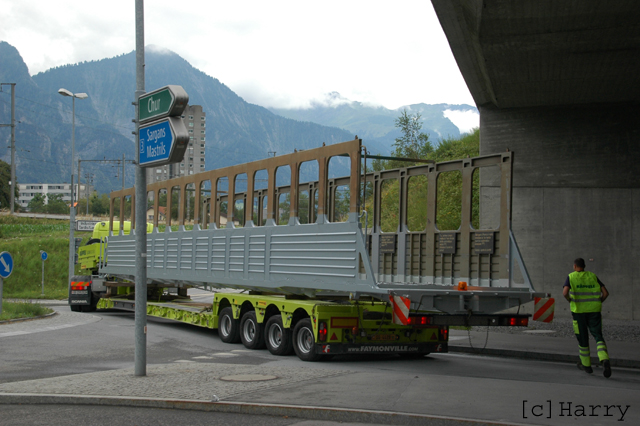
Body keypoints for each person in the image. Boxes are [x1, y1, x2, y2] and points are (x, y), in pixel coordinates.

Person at [563, 258, 611, 378]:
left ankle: (587, 366)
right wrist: (598, 302)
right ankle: (604, 359)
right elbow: (605, 293)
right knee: (598, 335)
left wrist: (570, 301)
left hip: (579, 312)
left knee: (583, 338)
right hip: (594, 311)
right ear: (584, 266)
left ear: (575, 266)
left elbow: (565, 293)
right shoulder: (592, 276)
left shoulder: (571, 277)